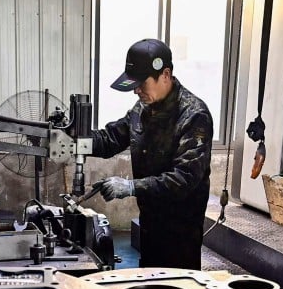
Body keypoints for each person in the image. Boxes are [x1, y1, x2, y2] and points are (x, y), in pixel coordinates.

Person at [91, 38, 213, 270]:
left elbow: (184, 179)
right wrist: (74, 139)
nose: (136, 90)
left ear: (165, 75)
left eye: (141, 83)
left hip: (180, 233)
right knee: (150, 288)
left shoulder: (194, 115)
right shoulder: (143, 108)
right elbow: (111, 139)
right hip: (150, 224)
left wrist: (130, 187)